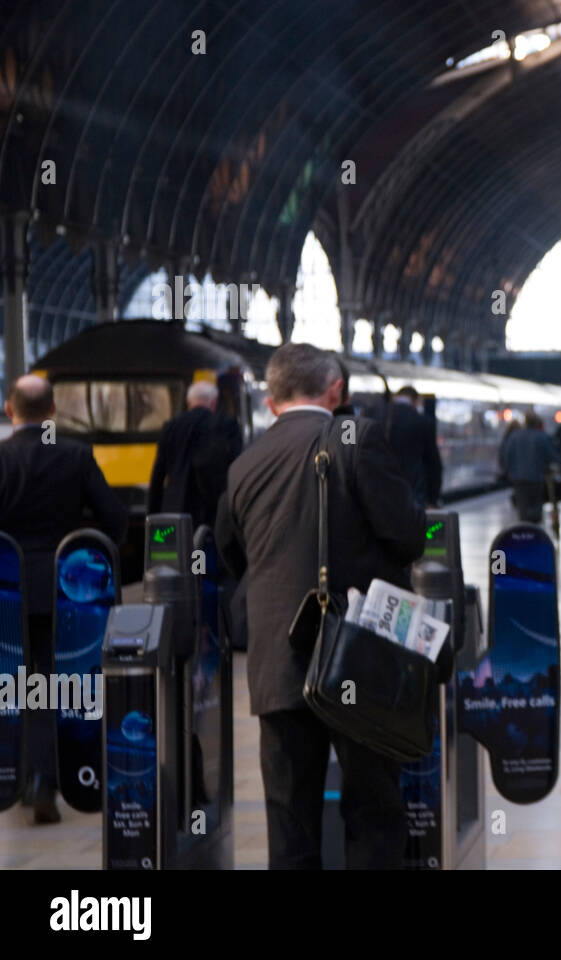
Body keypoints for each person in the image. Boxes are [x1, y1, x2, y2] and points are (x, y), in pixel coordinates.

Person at [215, 343, 425, 869]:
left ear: (269, 400)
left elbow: (230, 552)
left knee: (290, 827)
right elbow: (408, 535)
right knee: (373, 816)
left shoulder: (244, 464)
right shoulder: (355, 440)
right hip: (355, 659)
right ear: (336, 391)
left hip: (279, 667)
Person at [0, 374, 127, 825]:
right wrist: (91, 564)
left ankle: (19, 776)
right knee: (58, 686)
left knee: (16, 686)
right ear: (52, 410)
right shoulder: (73, 454)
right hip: (65, 594)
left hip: (8, 594)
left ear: (9, 410)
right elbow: (114, 518)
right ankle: (51, 778)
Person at [147, 380, 242, 528]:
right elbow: (236, 468)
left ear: (188, 401)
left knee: (178, 550)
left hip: (174, 510)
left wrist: (152, 514)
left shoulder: (171, 427)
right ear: (214, 402)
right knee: (205, 550)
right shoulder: (227, 425)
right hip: (212, 511)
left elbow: (158, 475)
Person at [385, 386, 442, 509]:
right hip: (414, 494)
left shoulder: (378, 416)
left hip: (382, 493)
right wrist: (432, 499)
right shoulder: (423, 422)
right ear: (416, 401)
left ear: (396, 396)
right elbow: (433, 464)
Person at [500, 411, 561, 523]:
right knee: (536, 505)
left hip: (518, 478)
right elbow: (551, 455)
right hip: (536, 477)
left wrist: (508, 472)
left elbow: (507, 455)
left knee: (522, 507)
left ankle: (525, 527)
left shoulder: (514, 436)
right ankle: (535, 526)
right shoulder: (541, 436)